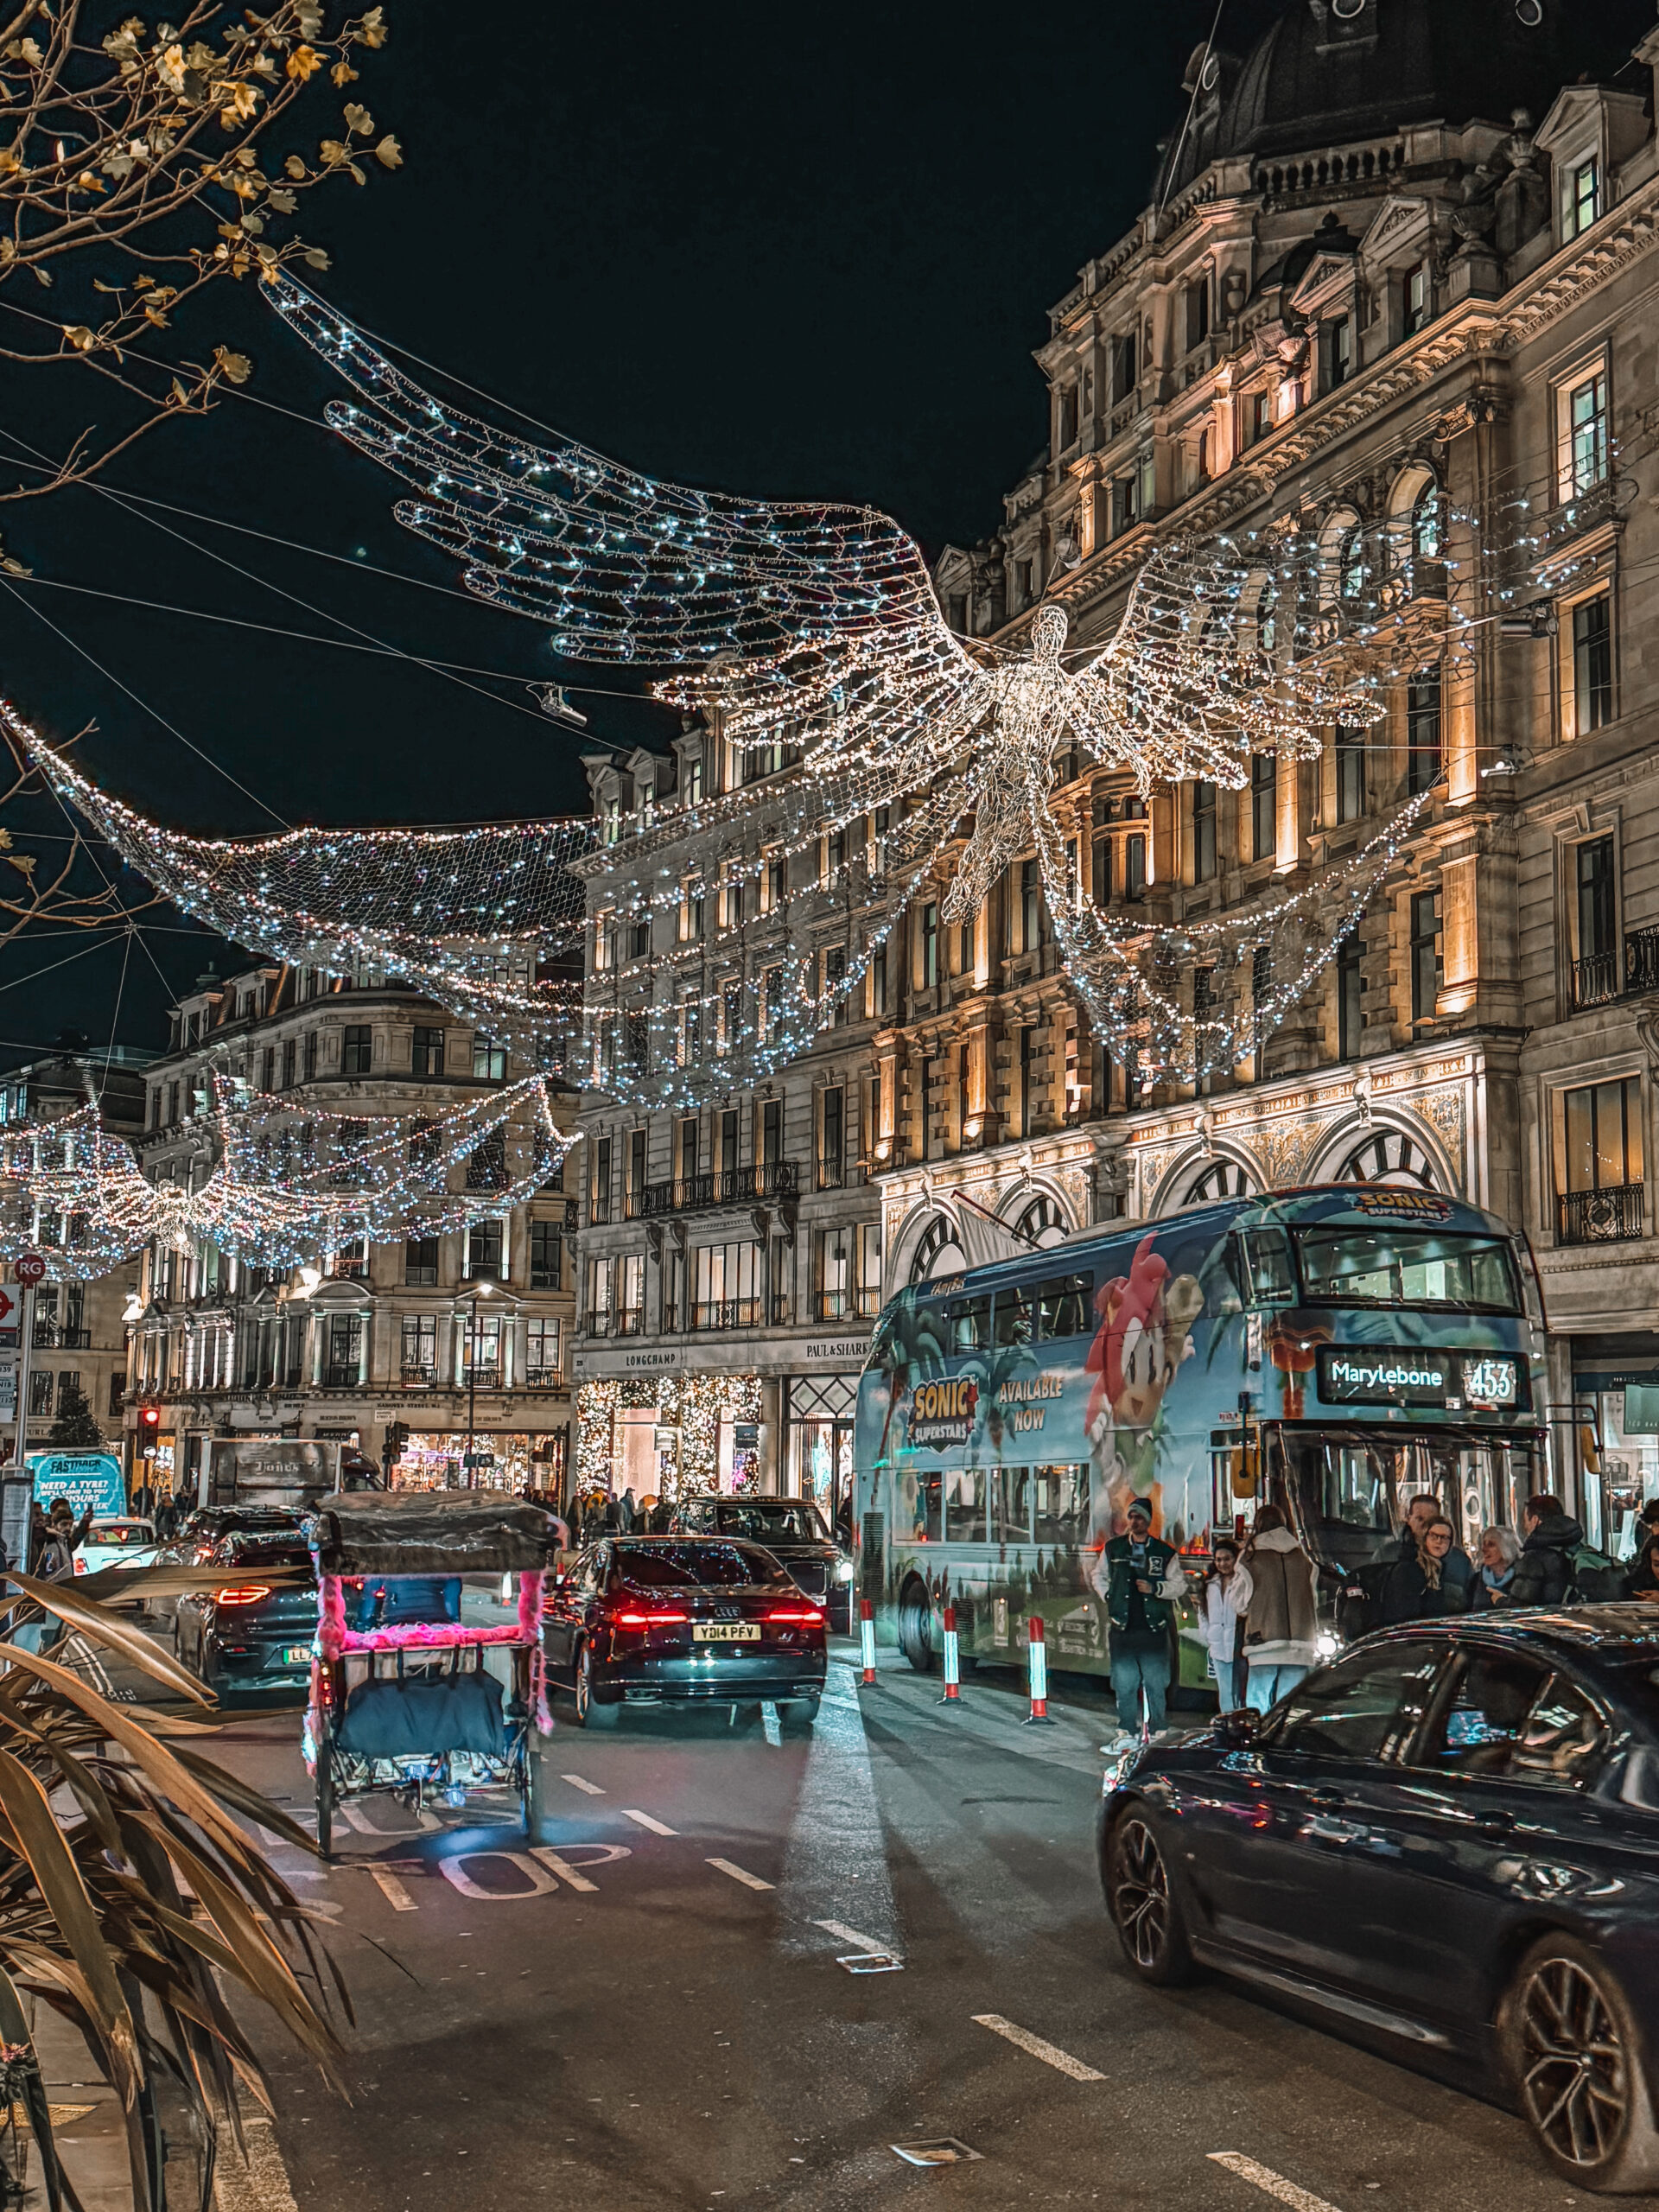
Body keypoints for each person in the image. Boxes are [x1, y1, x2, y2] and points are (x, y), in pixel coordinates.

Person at [1091, 1495, 1186, 1744]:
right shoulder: (1114, 1549)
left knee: (1156, 1682)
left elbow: (1179, 1585)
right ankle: (1126, 1728)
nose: (1135, 1521)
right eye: (1132, 1517)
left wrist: (1156, 1589)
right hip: (1122, 1627)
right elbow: (1098, 1575)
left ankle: (1158, 1727)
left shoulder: (1164, 1553)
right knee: (1124, 1681)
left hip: (1154, 1628)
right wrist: (1109, 1596)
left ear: (1149, 1521)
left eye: (1140, 1517)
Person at [1240, 1503, 1319, 1712]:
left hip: (1263, 1642)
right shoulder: (1305, 1557)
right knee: (1290, 1705)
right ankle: (1285, 1741)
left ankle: (1259, 1742)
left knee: (1258, 1702)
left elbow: (1239, 1603)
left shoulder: (1250, 1558)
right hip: (1301, 1643)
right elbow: (1313, 1598)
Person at [1198, 1535, 1251, 1713]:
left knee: (1241, 1693)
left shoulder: (1242, 1582)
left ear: (1236, 1559)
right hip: (1218, 1648)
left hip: (1239, 1648)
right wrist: (1208, 1635)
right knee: (1225, 1694)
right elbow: (1203, 1613)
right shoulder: (1210, 1584)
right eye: (1219, 1560)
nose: (1223, 1564)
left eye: (1227, 1559)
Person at [1509, 1492, 1583, 1607]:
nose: (1525, 1527)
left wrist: (1499, 1600)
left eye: (1525, 1521)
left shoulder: (1534, 1558)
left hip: (1553, 1622)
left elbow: (1520, 1607)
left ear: (1535, 1520)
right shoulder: (1579, 1548)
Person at [1468, 1524, 1522, 1608]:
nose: (1484, 1549)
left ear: (1507, 1548)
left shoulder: (1524, 1577)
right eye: (1484, 1544)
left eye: (1491, 1545)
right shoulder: (1476, 1580)